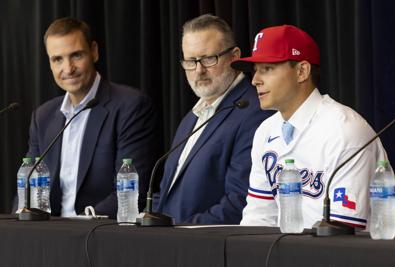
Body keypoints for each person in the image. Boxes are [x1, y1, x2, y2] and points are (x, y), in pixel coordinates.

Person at [232, 24, 390, 228]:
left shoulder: (345, 130)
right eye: (255, 71)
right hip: (283, 255)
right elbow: (259, 217)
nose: (255, 80)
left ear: (301, 71)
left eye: (267, 69)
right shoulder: (265, 131)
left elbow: (345, 231)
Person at [25, 17, 159, 218]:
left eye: (76, 55)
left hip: (99, 235)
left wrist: (81, 224)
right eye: (57, 59)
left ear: (94, 51)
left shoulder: (131, 106)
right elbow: (27, 187)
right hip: (48, 234)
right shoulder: (43, 116)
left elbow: (132, 193)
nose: (68, 68)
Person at [155, 14, 272, 224]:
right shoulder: (191, 118)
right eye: (191, 61)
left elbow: (239, 203)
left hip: (206, 247)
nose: (199, 70)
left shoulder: (254, 112)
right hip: (168, 246)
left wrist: (177, 231)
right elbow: (165, 194)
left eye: (209, 59)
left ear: (235, 56)